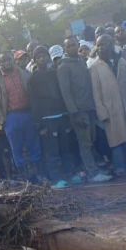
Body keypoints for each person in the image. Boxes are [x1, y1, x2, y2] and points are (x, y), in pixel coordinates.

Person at [58, 36, 112, 183]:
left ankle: (94, 167)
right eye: (69, 46)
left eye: (74, 45)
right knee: (85, 143)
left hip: (89, 107)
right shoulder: (63, 67)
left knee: (92, 139)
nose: (73, 48)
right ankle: (93, 173)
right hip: (79, 111)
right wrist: (74, 113)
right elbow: (66, 92)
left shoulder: (82, 62)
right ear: (65, 49)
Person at [0, 51, 44, 182]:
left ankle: (39, 175)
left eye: (9, 60)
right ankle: (26, 179)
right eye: (3, 61)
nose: (7, 63)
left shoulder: (24, 73)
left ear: (13, 60)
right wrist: (3, 121)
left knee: (33, 145)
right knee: (16, 149)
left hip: (28, 113)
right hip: (11, 117)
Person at [89, 35, 126, 176]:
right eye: (98, 45)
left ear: (112, 45)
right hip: (110, 109)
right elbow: (96, 93)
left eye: (103, 44)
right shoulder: (95, 68)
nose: (100, 48)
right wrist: (102, 112)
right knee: (115, 140)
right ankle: (119, 166)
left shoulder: (122, 61)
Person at [30, 46, 74, 189]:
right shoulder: (33, 79)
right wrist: (40, 125)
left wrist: (67, 116)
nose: (42, 59)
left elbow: (62, 93)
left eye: (44, 56)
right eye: (39, 57)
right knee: (52, 151)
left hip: (61, 116)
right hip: (46, 120)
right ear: (35, 60)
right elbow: (34, 102)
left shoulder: (55, 73)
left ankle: (71, 174)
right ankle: (56, 179)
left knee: (65, 148)